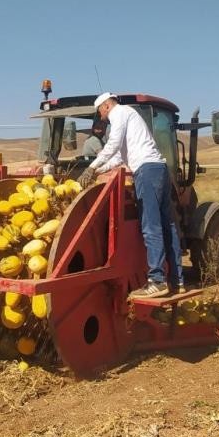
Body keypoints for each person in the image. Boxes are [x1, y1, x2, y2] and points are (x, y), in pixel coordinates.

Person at [78, 93, 182, 298]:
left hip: (146, 171)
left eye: (100, 111)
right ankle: (177, 279)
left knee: (150, 226)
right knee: (166, 225)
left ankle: (157, 281)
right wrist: (98, 171)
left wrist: (90, 167)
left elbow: (113, 144)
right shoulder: (129, 117)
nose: (101, 117)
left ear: (106, 105)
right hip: (157, 168)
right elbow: (118, 156)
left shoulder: (120, 113)